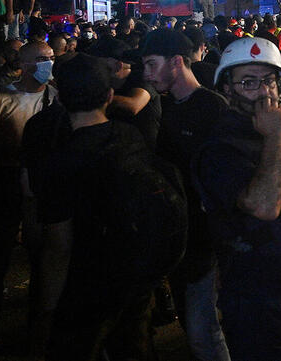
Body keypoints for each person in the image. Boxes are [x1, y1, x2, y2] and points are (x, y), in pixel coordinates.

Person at [32, 52, 186, 361]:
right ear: (109, 95)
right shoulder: (129, 136)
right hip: (136, 272)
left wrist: (48, 308)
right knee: (134, 346)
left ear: (60, 98)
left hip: (88, 282)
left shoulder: (59, 162)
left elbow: (58, 246)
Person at [195, 37, 281, 361]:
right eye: (248, 82)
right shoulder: (220, 149)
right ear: (227, 90)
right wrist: (274, 135)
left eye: (269, 80)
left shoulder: (280, 131)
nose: (263, 91)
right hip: (257, 298)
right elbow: (265, 205)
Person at [141, 30, 231, 361]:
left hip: (206, 243)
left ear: (177, 62)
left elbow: (227, 184)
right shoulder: (166, 106)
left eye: (152, 65)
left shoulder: (212, 108)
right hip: (182, 239)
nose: (148, 75)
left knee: (203, 331)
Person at [0, 40, 56, 350]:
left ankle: (36, 331)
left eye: (50, 57)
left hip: (40, 189)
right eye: (40, 59)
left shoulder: (57, 98)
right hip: (4, 188)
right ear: (23, 63)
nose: (47, 63)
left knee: (42, 260)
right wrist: (17, 151)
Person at [88, 37, 162, 151]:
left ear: (118, 65)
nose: (94, 68)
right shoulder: (105, 83)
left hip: (144, 153)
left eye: (98, 63)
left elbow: (134, 104)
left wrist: (92, 97)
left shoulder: (141, 78)